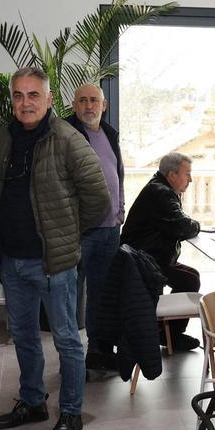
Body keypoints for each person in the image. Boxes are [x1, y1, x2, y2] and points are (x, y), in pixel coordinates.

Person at [0, 67, 110, 430]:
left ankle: (71, 411)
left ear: (49, 100)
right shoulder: (3, 138)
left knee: (67, 339)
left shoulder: (68, 138)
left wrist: (67, 231)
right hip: (12, 262)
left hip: (55, 262)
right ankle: (33, 402)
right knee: (23, 335)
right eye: (18, 95)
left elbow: (97, 197)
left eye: (34, 95)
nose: (25, 102)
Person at [65, 83, 126, 372]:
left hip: (109, 229)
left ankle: (99, 351)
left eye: (94, 101)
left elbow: (118, 175)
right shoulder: (65, 132)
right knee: (69, 296)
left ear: (104, 105)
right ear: (74, 105)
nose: (89, 106)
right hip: (79, 232)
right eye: (83, 101)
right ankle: (71, 359)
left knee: (102, 294)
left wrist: (120, 208)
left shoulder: (110, 134)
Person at [119, 152, 202, 351]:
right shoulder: (161, 193)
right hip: (146, 261)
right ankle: (169, 335)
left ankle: (168, 333)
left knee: (190, 277)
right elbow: (183, 226)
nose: (190, 179)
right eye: (187, 173)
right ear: (172, 175)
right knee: (189, 280)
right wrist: (196, 225)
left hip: (147, 256)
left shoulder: (158, 188)